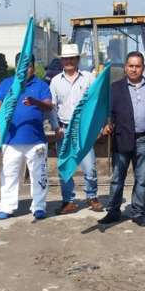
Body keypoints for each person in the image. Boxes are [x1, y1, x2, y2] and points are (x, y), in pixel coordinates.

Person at [98, 51, 145, 227]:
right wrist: (107, 124)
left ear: (143, 68)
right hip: (122, 139)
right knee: (117, 179)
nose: (134, 69)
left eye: (137, 66)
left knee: (141, 179)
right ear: (125, 67)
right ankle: (113, 212)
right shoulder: (115, 88)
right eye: (131, 66)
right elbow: (108, 112)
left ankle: (138, 212)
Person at [0, 52, 53, 220]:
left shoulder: (41, 85)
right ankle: (7, 207)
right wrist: (4, 112)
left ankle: (39, 206)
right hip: (11, 139)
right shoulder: (7, 83)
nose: (25, 69)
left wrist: (35, 102)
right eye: (22, 66)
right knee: (9, 174)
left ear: (33, 67)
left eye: (28, 66)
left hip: (36, 140)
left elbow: (49, 106)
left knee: (38, 175)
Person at [50, 43, 103, 215]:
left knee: (90, 167)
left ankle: (92, 196)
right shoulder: (55, 81)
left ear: (78, 59)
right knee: (65, 168)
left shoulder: (89, 78)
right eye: (66, 59)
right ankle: (69, 201)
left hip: (83, 130)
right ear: (62, 61)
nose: (69, 61)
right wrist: (55, 127)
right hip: (64, 130)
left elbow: (96, 102)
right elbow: (52, 107)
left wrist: (98, 126)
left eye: (72, 58)